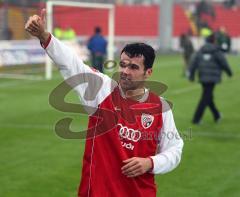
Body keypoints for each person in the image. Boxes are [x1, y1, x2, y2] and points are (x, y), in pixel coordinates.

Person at [25, 9, 184, 197]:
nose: (125, 71)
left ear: (148, 73)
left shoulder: (160, 107)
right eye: (123, 64)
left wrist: (151, 162)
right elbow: (71, 63)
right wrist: (44, 35)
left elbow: (175, 149)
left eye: (133, 67)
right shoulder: (101, 91)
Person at [188, 34, 233, 124]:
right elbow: (223, 62)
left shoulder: (200, 50)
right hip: (212, 78)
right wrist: (229, 72)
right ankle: (196, 119)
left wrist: (191, 75)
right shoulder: (216, 50)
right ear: (214, 41)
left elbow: (193, 63)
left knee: (208, 96)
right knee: (206, 97)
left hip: (203, 77)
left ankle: (216, 115)